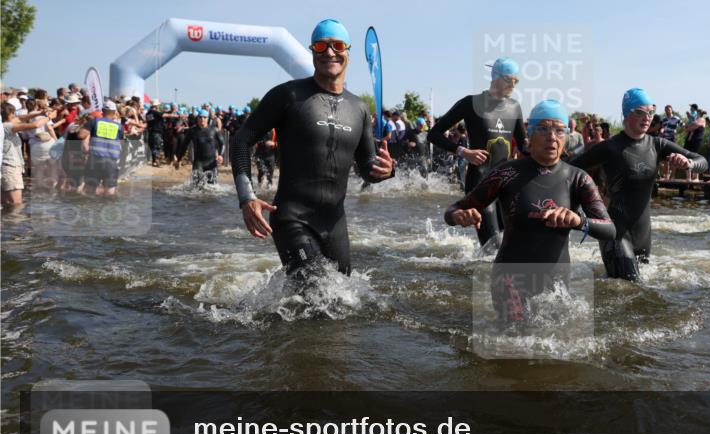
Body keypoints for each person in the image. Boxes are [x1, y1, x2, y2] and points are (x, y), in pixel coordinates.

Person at [232, 18, 395, 279]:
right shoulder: (288, 96)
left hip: (335, 224)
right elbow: (241, 139)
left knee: (341, 301)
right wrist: (246, 197)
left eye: (337, 45)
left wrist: (385, 170)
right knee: (315, 288)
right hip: (291, 219)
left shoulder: (359, 108)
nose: (330, 52)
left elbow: (367, 169)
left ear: (348, 53)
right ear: (312, 52)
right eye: (321, 46)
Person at [445, 100, 614, 323]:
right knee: (517, 337)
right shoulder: (506, 173)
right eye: (543, 129)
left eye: (559, 130)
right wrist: (459, 216)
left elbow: (610, 230)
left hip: (557, 285)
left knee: (554, 348)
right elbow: (453, 210)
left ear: (566, 137)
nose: (552, 137)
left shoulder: (578, 179)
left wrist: (577, 220)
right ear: (529, 137)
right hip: (509, 279)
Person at [571, 88, 706, 281]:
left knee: (640, 296)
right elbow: (567, 170)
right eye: (640, 112)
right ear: (626, 114)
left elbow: (702, 161)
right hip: (615, 233)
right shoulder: (610, 148)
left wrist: (689, 163)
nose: (647, 117)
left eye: (651, 112)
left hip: (643, 234)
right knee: (630, 289)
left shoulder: (657, 145)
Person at [427, 57, 526, 248]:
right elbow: (434, 134)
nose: (513, 85)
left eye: (516, 81)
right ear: (495, 78)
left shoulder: (514, 107)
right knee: (492, 246)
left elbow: (524, 148)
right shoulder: (471, 103)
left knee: (513, 245)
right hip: (480, 183)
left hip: (506, 185)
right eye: (509, 80)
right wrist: (464, 152)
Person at [2, 102, 48, 208]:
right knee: (16, 204)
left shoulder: (3, 125)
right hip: (10, 167)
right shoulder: (7, 126)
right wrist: (49, 117)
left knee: (6, 204)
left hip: (6, 166)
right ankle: (15, 223)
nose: (15, 115)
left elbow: (21, 118)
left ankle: (6, 223)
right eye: (13, 113)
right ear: (8, 114)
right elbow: (34, 125)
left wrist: (40, 113)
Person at [82, 101, 125, 196]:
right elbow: (121, 144)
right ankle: (106, 209)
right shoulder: (119, 127)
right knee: (110, 191)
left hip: (95, 160)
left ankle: (85, 209)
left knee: (89, 189)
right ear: (114, 112)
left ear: (102, 111)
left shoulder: (94, 122)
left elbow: (81, 135)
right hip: (111, 161)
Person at [174, 110, 225, 185]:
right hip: (199, 163)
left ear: (208, 118)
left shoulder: (214, 130)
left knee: (213, 188)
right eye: (200, 117)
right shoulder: (192, 131)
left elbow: (222, 144)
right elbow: (184, 146)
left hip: (211, 163)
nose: (202, 119)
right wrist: (178, 160)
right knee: (197, 187)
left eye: (204, 117)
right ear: (197, 118)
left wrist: (221, 155)